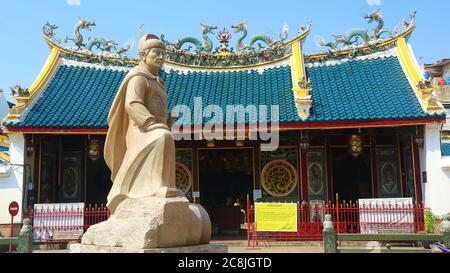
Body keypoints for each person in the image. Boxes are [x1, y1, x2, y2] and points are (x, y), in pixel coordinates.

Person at [105, 34, 178, 213]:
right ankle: (156, 186)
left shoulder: (159, 82)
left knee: (167, 136)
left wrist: (168, 121)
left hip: (154, 127)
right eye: (157, 53)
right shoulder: (138, 77)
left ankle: (166, 184)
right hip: (139, 129)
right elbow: (132, 103)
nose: (161, 57)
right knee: (163, 137)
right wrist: (150, 123)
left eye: (163, 53)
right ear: (143, 55)